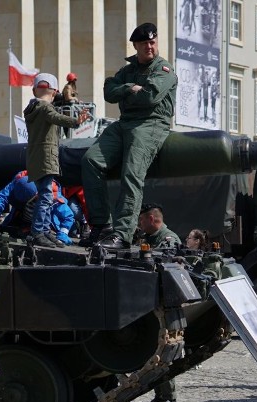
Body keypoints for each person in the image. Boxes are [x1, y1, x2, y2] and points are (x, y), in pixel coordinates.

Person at [81, 22, 178, 250]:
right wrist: (130, 88)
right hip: (125, 123)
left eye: (152, 42)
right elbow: (108, 91)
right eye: (144, 43)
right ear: (135, 45)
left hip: (151, 123)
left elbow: (149, 98)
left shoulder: (164, 70)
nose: (149, 47)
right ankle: (101, 226)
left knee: (131, 172)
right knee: (90, 161)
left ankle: (123, 233)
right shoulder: (128, 70)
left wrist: (126, 90)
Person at [24, 73, 89, 248]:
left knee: (46, 195)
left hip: (36, 157)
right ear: (54, 92)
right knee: (46, 196)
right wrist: (76, 121)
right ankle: (38, 231)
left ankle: (44, 230)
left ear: (34, 90)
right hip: (46, 157)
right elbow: (56, 118)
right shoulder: (45, 108)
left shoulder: (32, 108)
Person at [136, 210, 183, 402]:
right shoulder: (148, 238)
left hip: (165, 306)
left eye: (142, 220)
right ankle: (159, 396)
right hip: (151, 304)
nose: (140, 223)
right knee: (153, 354)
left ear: (153, 219)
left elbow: (167, 267)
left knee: (163, 355)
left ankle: (169, 398)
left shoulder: (168, 239)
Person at [0, 171, 75, 244]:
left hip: (48, 227)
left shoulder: (52, 196)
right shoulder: (17, 182)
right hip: (20, 221)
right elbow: (1, 197)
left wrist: (63, 234)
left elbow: (68, 216)